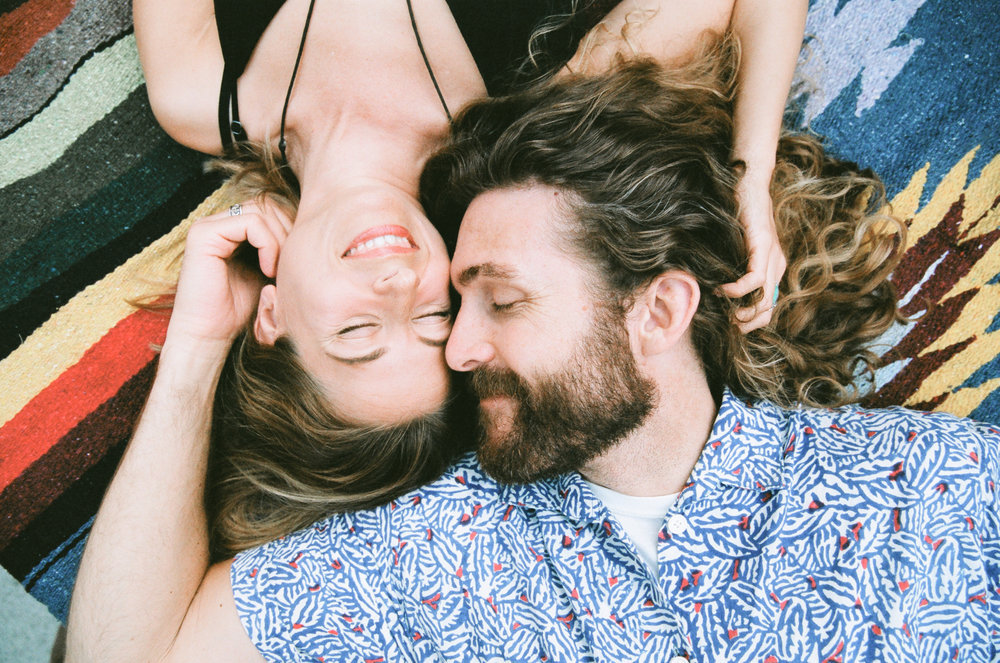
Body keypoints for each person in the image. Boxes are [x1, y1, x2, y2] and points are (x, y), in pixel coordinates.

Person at [68, 39, 999, 661]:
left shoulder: (931, 485)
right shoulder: (434, 553)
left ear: (659, 310)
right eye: (456, 302)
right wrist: (195, 349)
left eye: (502, 300)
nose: (461, 350)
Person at [134, 0, 808, 557]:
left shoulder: (197, 92)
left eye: (358, 330)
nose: (397, 285)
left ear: (271, 317)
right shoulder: (528, 121)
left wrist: (196, 343)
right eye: (433, 318)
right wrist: (751, 177)